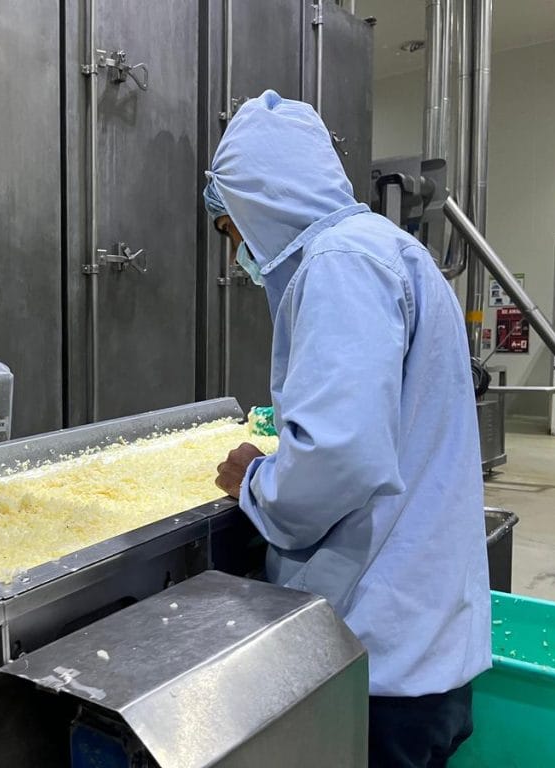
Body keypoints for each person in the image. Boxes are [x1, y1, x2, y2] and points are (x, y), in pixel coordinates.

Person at [204, 90, 491, 768]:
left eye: (233, 229)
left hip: (378, 658)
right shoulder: (395, 252)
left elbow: (339, 457)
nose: (238, 251)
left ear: (266, 200)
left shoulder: (339, 264)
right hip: (425, 643)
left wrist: (255, 478)